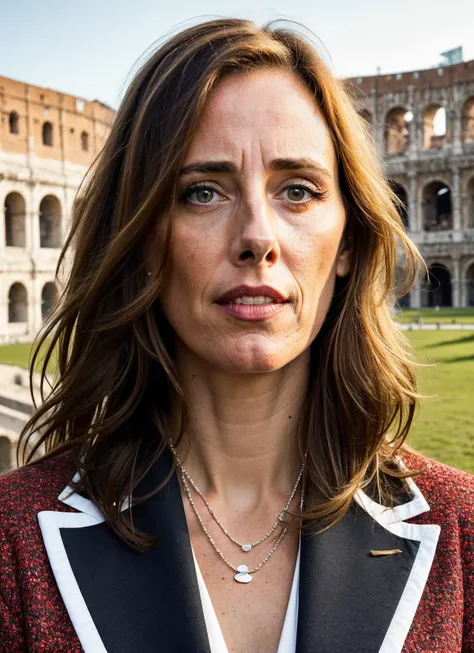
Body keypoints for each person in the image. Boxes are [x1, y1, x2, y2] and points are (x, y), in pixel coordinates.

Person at [0, 18, 473, 653]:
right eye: (202, 192)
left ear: (349, 241)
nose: (258, 237)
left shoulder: (462, 532)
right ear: (142, 234)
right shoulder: (12, 543)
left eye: (297, 191)